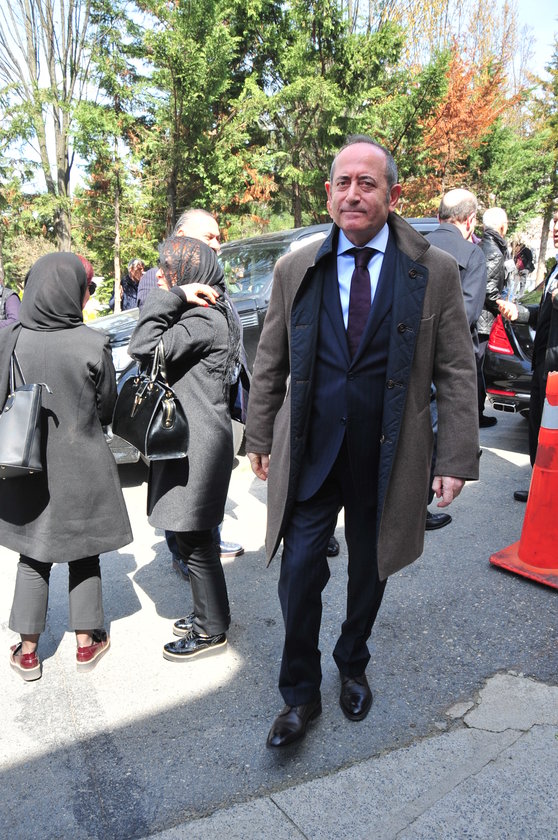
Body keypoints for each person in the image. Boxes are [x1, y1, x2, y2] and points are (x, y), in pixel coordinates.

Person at [245, 135, 479, 748]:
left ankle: (353, 661)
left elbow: (457, 368)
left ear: (391, 195)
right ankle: (300, 694)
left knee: (371, 569)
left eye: (367, 183)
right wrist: (259, 433)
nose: (353, 194)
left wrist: (455, 455)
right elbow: (270, 360)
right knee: (298, 572)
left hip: (389, 453)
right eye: (343, 183)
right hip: (313, 451)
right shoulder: (296, 268)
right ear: (329, 194)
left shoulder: (433, 270)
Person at [0, 253, 133, 681]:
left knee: (33, 555)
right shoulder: (92, 341)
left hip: (27, 464)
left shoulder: (12, 339)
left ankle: (27, 653)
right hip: (83, 464)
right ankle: (85, 644)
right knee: (84, 552)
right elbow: (107, 408)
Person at [128, 236, 241, 661]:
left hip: (197, 443)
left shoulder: (202, 319)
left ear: (191, 274)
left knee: (194, 541)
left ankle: (211, 630)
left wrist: (173, 296)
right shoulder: (210, 312)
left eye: (169, 270)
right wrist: (178, 296)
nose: (161, 275)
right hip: (196, 436)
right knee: (197, 538)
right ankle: (211, 614)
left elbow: (142, 347)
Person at [138, 208, 245, 566]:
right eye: (209, 237)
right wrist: (177, 294)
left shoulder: (208, 284)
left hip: (207, 409)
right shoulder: (164, 280)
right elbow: (149, 342)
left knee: (198, 525)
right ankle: (186, 551)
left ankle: (201, 547)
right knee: (188, 522)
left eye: (218, 237)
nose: (217, 244)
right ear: (182, 239)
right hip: (182, 417)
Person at [424, 188, 487, 530]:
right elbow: (467, 314)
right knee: (436, 437)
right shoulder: (472, 254)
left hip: (414, 357)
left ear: (438, 217)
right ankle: (417, 510)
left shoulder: (417, 246)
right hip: (447, 362)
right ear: (470, 221)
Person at [506, 208, 558, 502]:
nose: (556, 228)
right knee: (540, 425)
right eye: (555, 222)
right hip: (543, 364)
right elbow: (546, 314)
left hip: (555, 364)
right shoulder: (555, 268)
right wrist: (521, 312)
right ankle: (541, 484)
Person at [476, 207, 511, 428]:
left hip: (479, 318)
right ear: (502, 226)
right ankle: (477, 415)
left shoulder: (483, 246)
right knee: (478, 370)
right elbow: (489, 290)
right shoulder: (494, 251)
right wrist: (504, 307)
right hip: (483, 320)